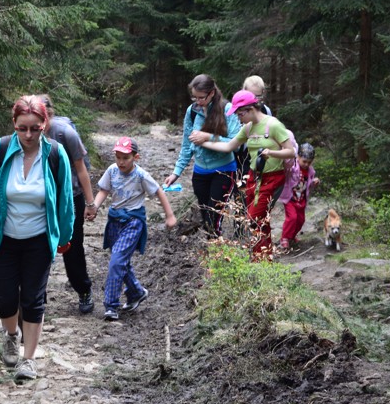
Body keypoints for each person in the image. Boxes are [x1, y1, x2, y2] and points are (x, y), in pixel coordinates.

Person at [0, 95, 75, 381]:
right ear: (14, 125)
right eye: (22, 128)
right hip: (4, 238)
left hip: (39, 238)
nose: (28, 135)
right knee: (4, 299)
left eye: (35, 128)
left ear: (44, 124)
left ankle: (29, 360)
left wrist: (65, 235)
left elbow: (64, 200)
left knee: (33, 298)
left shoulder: (55, 154)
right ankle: (11, 334)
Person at [88, 137, 177, 321]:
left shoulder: (141, 175)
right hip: (114, 221)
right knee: (120, 261)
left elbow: (159, 191)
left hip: (133, 222)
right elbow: (104, 190)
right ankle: (136, 292)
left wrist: (169, 215)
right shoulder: (112, 170)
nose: (121, 162)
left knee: (116, 261)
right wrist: (94, 206)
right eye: (118, 157)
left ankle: (111, 305)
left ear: (136, 157)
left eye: (125, 158)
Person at [202, 90, 296, 260]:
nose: (238, 118)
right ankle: (262, 256)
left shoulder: (273, 125)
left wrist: (272, 153)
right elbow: (229, 146)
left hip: (273, 177)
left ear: (251, 109)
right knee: (260, 220)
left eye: (240, 113)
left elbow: (291, 152)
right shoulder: (247, 128)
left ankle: (259, 256)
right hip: (254, 176)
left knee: (253, 217)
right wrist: (205, 142)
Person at [37, 94, 97, 314]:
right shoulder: (27, 133)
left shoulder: (65, 134)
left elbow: (81, 169)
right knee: (40, 246)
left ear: (48, 115)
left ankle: (83, 290)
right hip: (41, 197)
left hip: (71, 196)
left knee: (72, 247)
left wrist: (90, 203)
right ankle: (37, 296)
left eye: (40, 118)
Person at [164, 74, 241, 236]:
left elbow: (235, 141)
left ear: (212, 93)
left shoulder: (227, 109)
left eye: (201, 97)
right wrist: (176, 173)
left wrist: (208, 136)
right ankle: (211, 247)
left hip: (224, 171)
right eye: (194, 98)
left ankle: (215, 251)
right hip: (200, 173)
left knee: (214, 217)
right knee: (206, 216)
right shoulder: (192, 111)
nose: (198, 102)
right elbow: (187, 144)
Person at [277, 142, 320, 250]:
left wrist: (314, 182)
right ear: (298, 157)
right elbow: (286, 168)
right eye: (304, 161)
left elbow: (307, 184)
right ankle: (285, 238)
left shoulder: (310, 171)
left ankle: (292, 236)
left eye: (309, 162)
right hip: (290, 198)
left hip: (301, 199)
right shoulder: (293, 166)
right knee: (292, 218)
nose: (306, 164)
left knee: (301, 220)